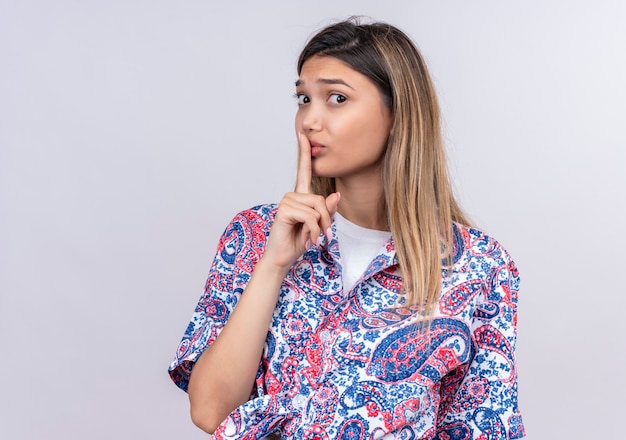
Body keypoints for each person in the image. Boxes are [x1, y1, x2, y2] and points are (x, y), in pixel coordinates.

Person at [168, 17, 525, 440]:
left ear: (397, 115)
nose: (309, 121)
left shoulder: (481, 265)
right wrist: (275, 263)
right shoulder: (255, 234)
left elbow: (482, 427)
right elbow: (210, 410)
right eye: (303, 98)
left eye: (336, 98)